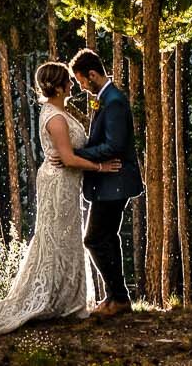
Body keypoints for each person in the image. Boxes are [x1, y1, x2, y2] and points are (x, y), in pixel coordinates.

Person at [0, 60, 120, 333]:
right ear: (57, 86)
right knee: (56, 237)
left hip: (66, 184)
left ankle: (68, 297)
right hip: (59, 184)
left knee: (65, 238)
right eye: (67, 80)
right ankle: (54, 298)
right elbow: (67, 158)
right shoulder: (55, 118)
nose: (72, 83)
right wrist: (100, 167)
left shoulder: (58, 110)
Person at [71, 46, 142, 316]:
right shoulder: (108, 97)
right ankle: (115, 298)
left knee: (94, 239)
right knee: (108, 238)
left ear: (91, 74)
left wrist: (76, 155)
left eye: (81, 81)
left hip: (115, 181)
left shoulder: (113, 100)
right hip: (111, 181)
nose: (82, 87)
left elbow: (114, 144)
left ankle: (119, 297)